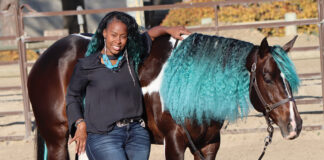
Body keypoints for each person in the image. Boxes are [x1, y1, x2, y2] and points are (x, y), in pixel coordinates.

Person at [66, 11, 191, 160]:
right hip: (103, 136)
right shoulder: (87, 65)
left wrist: (168, 29)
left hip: (137, 134)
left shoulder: (131, 57)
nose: (118, 41)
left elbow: (150, 34)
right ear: (104, 33)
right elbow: (72, 96)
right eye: (113, 35)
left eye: (123, 36)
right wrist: (80, 124)